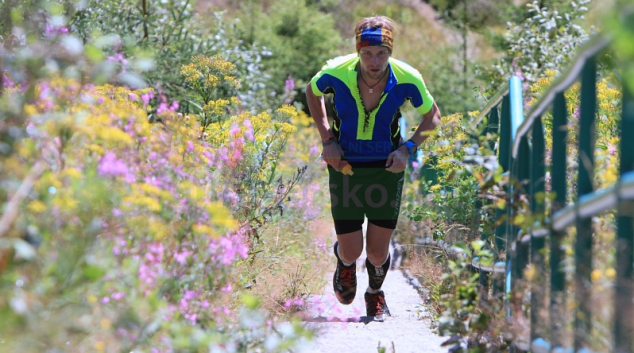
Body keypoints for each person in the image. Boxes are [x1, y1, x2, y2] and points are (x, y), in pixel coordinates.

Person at [305, 15, 441, 321]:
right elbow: (312, 92)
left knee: (378, 253)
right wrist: (327, 138)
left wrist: (408, 148)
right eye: (367, 53)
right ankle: (345, 265)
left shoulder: (408, 77)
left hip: (387, 168)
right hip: (345, 166)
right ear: (357, 51)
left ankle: (375, 294)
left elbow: (433, 117)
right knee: (352, 250)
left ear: (390, 52)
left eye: (381, 53)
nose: (374, 61)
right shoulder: (336, 72)